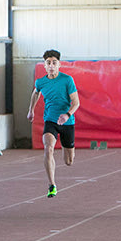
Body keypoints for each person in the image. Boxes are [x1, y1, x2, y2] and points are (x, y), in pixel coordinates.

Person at [27, 49, 80, 198]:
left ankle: (66, 147)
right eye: (48, 63)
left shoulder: (67, 80)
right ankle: (52, 184)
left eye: (54, 63)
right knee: (48, 147)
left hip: (67, 121)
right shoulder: (41, 82)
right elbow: (36, 92)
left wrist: (67, 114)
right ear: (44, 65)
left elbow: (76, 102)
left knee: (69, 161)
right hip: (50, 120)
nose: (51, 66)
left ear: (59, 64)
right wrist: (31, 110)